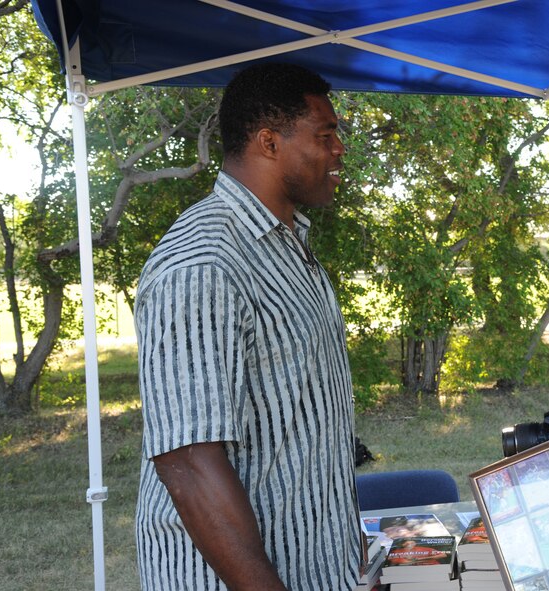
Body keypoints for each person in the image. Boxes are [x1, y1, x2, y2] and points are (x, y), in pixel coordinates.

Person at [134, 63, 360, 590]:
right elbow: (189, 461)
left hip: (312, 566)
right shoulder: (204, 265)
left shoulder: (286, 246)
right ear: (268, 143)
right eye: (325, 136)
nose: (339, 150)